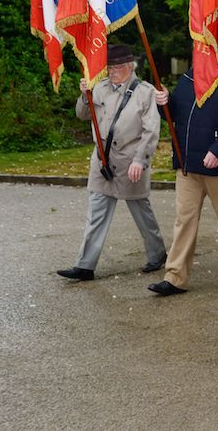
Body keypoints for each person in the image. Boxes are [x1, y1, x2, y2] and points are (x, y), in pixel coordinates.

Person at [57, 44, 167, 281]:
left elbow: (151, 131)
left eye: (117, 67)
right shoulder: (100, 87)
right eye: (109, 67)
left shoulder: (145, 92)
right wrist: (85, 95)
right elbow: (82, 115)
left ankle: (157, 254)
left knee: (141, 212)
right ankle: (85, 266)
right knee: (96, 213)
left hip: (130, 163)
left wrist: (140, 161)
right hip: (102, 162)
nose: (112, 72)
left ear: (130, 66)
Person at [147, 67, 218, 296]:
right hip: (188, 164)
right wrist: (164, 102)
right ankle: (175, 276)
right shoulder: (189, 77)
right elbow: (176, 114)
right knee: (184, 220)